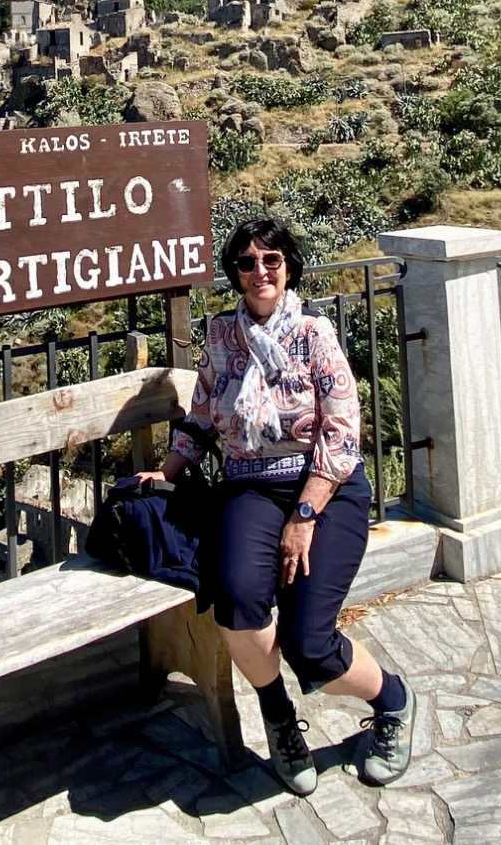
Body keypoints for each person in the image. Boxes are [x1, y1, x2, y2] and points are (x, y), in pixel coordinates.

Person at [140, 218, 417, 795]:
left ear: (289, 266)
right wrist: (168, 470)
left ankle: (393, 701)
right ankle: (279, 717)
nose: (259, 271)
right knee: (236, 601)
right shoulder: (221, 336)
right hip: (250, 486)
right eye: (246, 262)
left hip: (326, 489)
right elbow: (201, 414)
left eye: (271, 260)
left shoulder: (315, 334)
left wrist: (304, 517)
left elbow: (341, 434)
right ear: (235, 273)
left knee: (309, 643)